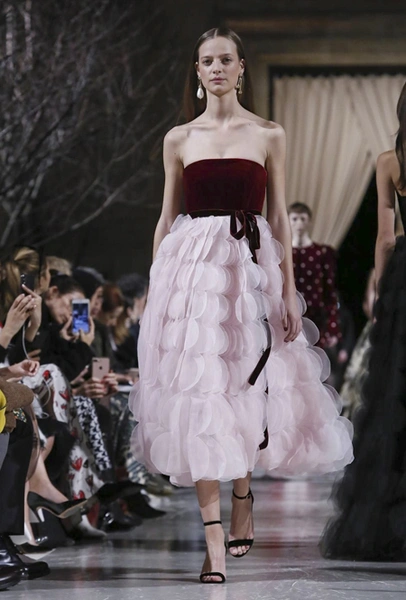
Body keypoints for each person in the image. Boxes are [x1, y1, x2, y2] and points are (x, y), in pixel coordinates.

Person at [129, 27, 353, 584]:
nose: (216, 68)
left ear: (241, 67)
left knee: (247, 385)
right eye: (207, 61)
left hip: (250, 269)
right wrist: (157, 290)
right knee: (200, 392)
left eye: (225, 59)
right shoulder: (179, 138)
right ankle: (213, 545)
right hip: (190, 273)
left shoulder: (269, 133)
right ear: (197, 70)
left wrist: (288, 290)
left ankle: (243, 494)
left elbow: (278, 217)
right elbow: (166, 217)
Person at [321, 82, 406, 561]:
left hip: (404, 279)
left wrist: (380, 290)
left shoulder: (390, 161)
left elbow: (386, 238)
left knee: (396, 392)